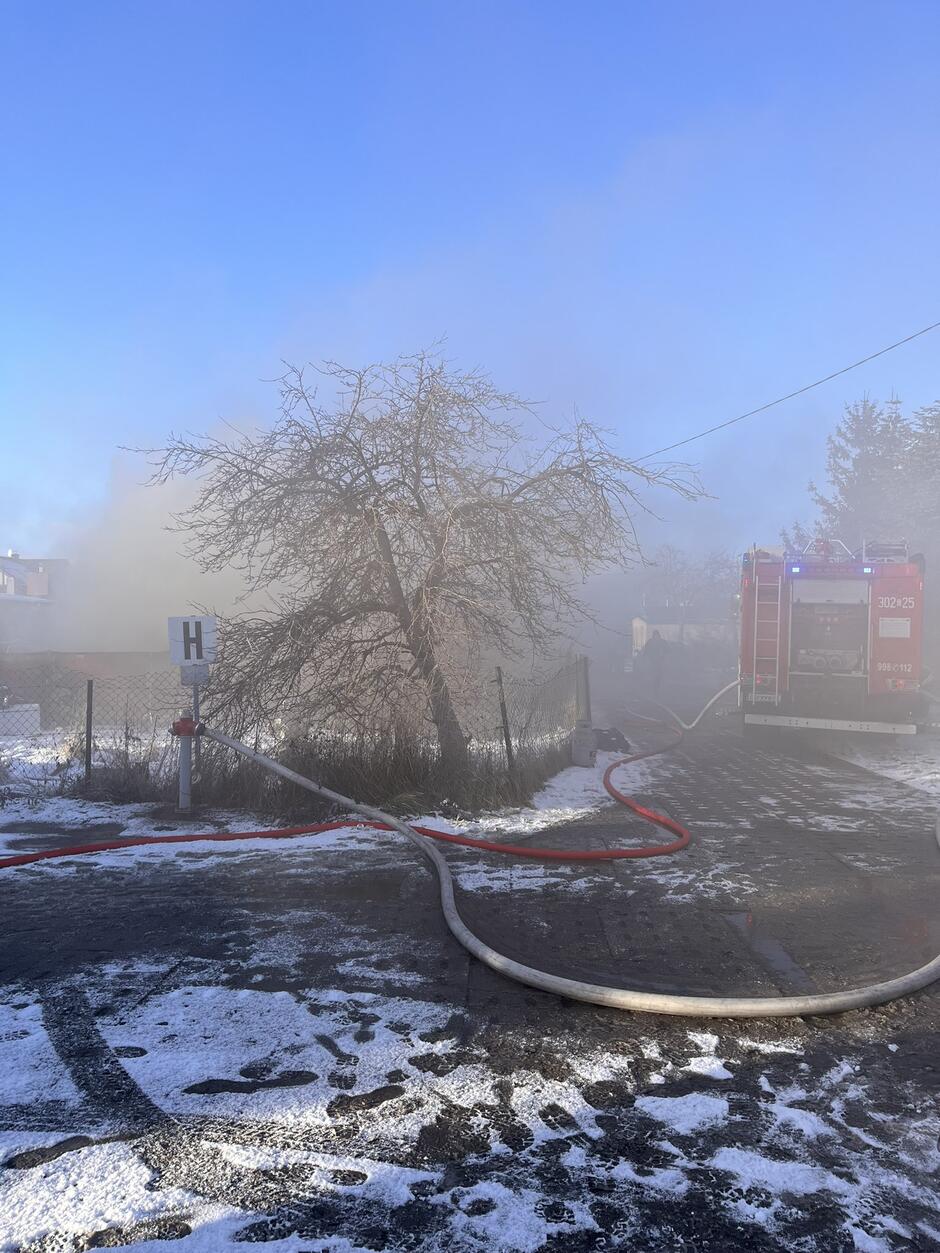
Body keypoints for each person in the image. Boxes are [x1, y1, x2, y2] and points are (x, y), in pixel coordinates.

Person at [641, 629, 668, 699]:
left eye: (657, 635)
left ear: (658, 635)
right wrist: (645, 657)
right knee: (653, 675)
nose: (656, 637)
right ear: (653, 636)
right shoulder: (650, 642)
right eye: (655, 635)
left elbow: (668, 650)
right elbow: (646, 650)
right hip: (652, 662)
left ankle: (656, 688)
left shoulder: (662, 642)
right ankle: (653, 688)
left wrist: (664, 654)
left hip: (659, 662)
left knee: (658, 676)